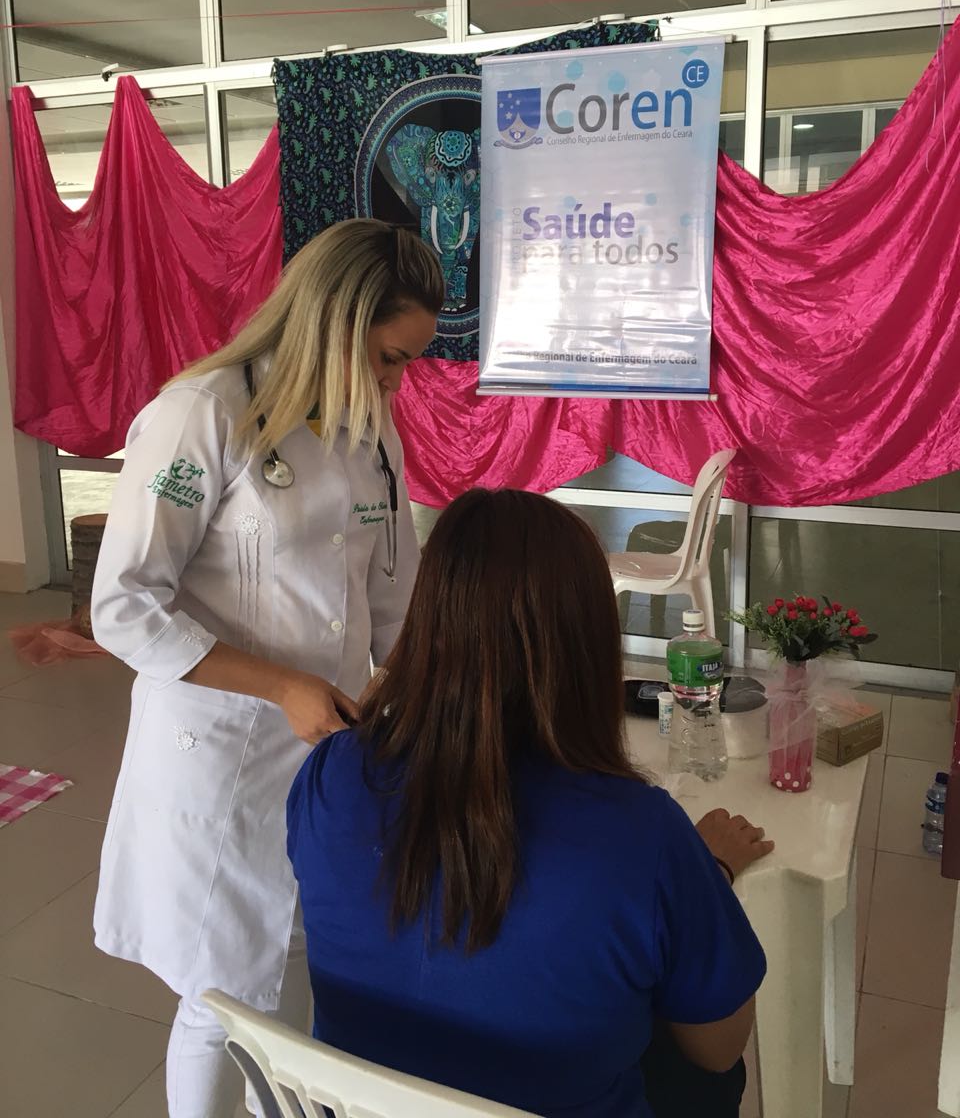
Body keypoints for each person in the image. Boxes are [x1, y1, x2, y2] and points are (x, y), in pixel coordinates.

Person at [91, 218, 444, 1118]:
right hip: (223, 755)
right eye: (389, 358)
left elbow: (395, 597)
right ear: (334, 321)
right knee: (224, 994)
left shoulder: (372, 431)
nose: (396, 383)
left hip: (331, 752)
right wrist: (284, 685)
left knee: (302, 965)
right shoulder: (203, 414)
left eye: (406, 364)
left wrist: (405, 696)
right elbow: (125, 605)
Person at [288, 488, 773, 1118]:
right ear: (588, 644)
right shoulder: (643, 835)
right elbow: (718, 1047)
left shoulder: (332, 773)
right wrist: (709, 873)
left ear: (426, 621)